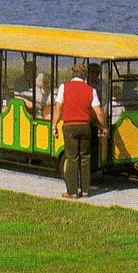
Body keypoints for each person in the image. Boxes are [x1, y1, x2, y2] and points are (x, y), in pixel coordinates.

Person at [52, 62, 108, 199]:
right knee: (85, 158)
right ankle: (85, 190)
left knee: (72, 158)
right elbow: (99, 112)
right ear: (84, 75)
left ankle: (72, 191)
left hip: (70, 126)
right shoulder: (91, 90)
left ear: (72, 73)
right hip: (85, 126)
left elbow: (58, 108)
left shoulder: (64, 87)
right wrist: (104, 126)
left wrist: (54, 125)